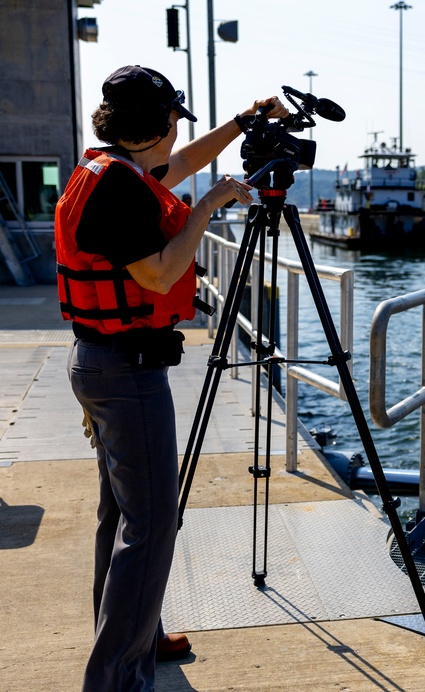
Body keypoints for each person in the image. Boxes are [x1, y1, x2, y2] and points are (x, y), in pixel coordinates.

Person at [54, 64, 288, 691]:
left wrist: (244, 121)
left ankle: (138, 633)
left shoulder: (109, 169)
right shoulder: (121, 189)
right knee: (154, 522)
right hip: (125, 372)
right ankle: (116, 678)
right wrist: (207, 208)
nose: (177, 129)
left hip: (102, 363)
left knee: (124, 516)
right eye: (174, 117)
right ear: (156, 121)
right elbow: (158, 276)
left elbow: (180, 163)